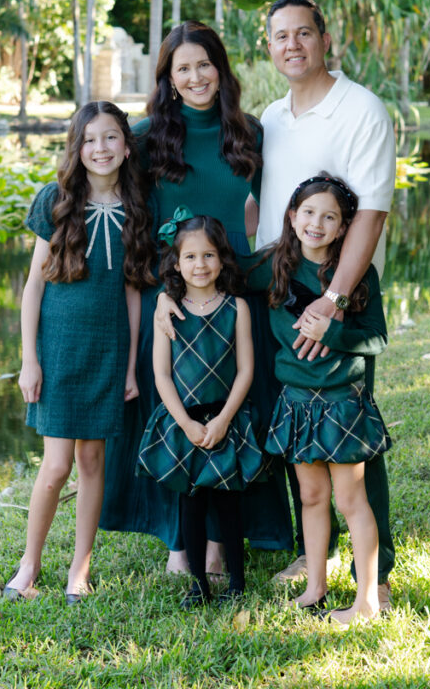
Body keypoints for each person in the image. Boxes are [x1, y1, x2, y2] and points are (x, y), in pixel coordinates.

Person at [100, 21, 292, 572]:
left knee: (238, 410)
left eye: (203, 64)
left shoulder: (249, 132)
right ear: (169, 79)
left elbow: (282, 207)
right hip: (174, 296)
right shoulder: (145, 137)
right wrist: (161, 291)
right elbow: (135, 221)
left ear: (220, 69)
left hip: (237, 295)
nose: (195, 76)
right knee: (176, 411)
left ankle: (228, 536)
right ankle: (178, 541)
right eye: (182, 68)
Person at [254, 0, 396, 605]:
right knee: (300, 424)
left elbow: (370, 211)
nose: (293, 45)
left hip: (343, 302)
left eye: (303, 33)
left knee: (353, 429)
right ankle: (317, 560)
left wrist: (334, 299)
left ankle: (377, 572)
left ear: (324, 37)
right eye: (280, 36)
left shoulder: (361, 109)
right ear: (269, 47)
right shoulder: (271, 117)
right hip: (283, 293)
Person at [2, 101, 155, 603]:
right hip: (60, 353)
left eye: (111, 137)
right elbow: (32, 287)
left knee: (93, 463)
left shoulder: (137, 209)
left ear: (126, 145)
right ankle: (29, 564)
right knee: (55, 466)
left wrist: (131, 365)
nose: (101, 148)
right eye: (90, 140)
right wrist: (30, 359)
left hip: (109, 354)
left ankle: (80, 569)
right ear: (77, 147)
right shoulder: (56, 201)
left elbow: (133, 292)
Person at [251, 174, 390, 623]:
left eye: (330, 216)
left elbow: (377, 340)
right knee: (311, 497)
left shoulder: (357, 273)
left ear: (344, 227)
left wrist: (333, 331)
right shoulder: (272, 266)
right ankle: (315, 588)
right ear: (292, 217)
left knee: (351, 500)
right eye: (308, 212)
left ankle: (367, 601)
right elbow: (220, 270)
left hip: (340, 403)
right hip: (294, 401)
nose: (317, 223)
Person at [138, 213, 264, 607]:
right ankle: (199, 585)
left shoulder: (236, 309)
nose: (200, 265)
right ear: (176, 263)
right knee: (190, 504)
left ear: (222, 259)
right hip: (185, 423)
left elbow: (246, 370)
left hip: (225, 420)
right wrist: (186, 423)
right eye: (190, 257)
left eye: (208, 255)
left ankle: (237, 584)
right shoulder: (169, 312)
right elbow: (161, 375)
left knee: (229, 503)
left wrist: (224, 419)